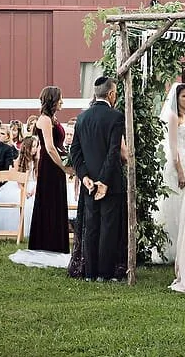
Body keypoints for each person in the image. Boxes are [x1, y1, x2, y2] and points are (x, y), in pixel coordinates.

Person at [69, 75, 128, 281]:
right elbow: (113, 152)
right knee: (109, 228)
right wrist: (103, 180)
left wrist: (84, 176)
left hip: (89, 183)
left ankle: (90, 273)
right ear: (111, 94)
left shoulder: (82, 118)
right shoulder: (116, 117)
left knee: (92, 227)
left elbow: (74, 151)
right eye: (116, 93)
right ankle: (105, 273)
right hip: (109, 182)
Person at [154, 82, 185, 259]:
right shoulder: (173, 117)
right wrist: (180, 171)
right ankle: (173, 247)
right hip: (178, 164)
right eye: (184, 96)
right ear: (176, 98)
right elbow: (173, 147)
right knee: (177, 203)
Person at [26, 86, 72, 255]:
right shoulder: (44, 119)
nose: (62, 101)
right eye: (60, 98)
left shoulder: (53, 118)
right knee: (48, 202)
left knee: (57, 202)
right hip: (50, 164)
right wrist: (64, 167)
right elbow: (50, 147)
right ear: (53, 100)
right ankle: (45, 243)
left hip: (56, 162)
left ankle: (57, 243)